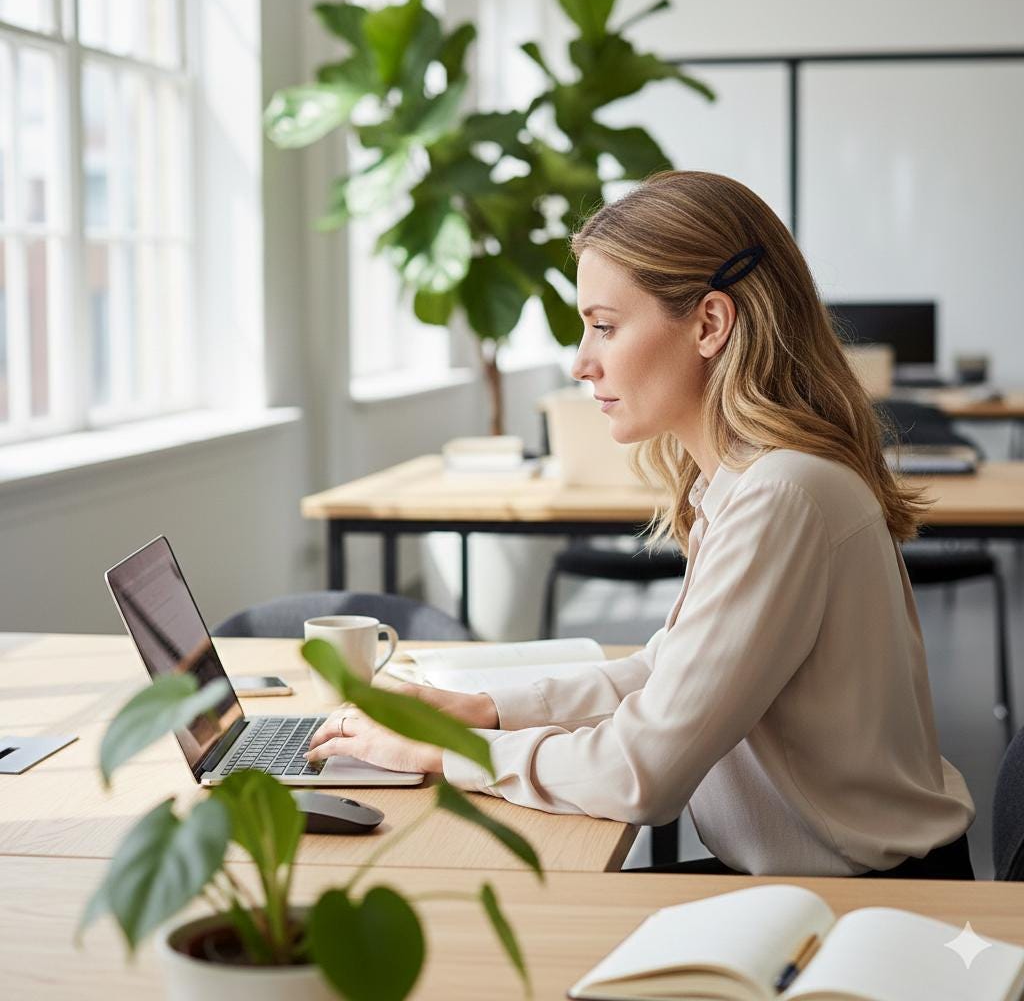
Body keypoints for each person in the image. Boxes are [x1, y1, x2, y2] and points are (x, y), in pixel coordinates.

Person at [306, 170, 976, 878]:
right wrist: (478, 710)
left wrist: (446, 755)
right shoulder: (753, 480)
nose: (581, 362)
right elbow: (666, 672)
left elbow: (642, 773)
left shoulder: (783, 494)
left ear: (711, 324)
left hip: (867, 904)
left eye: (605, 326)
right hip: (820, 879)